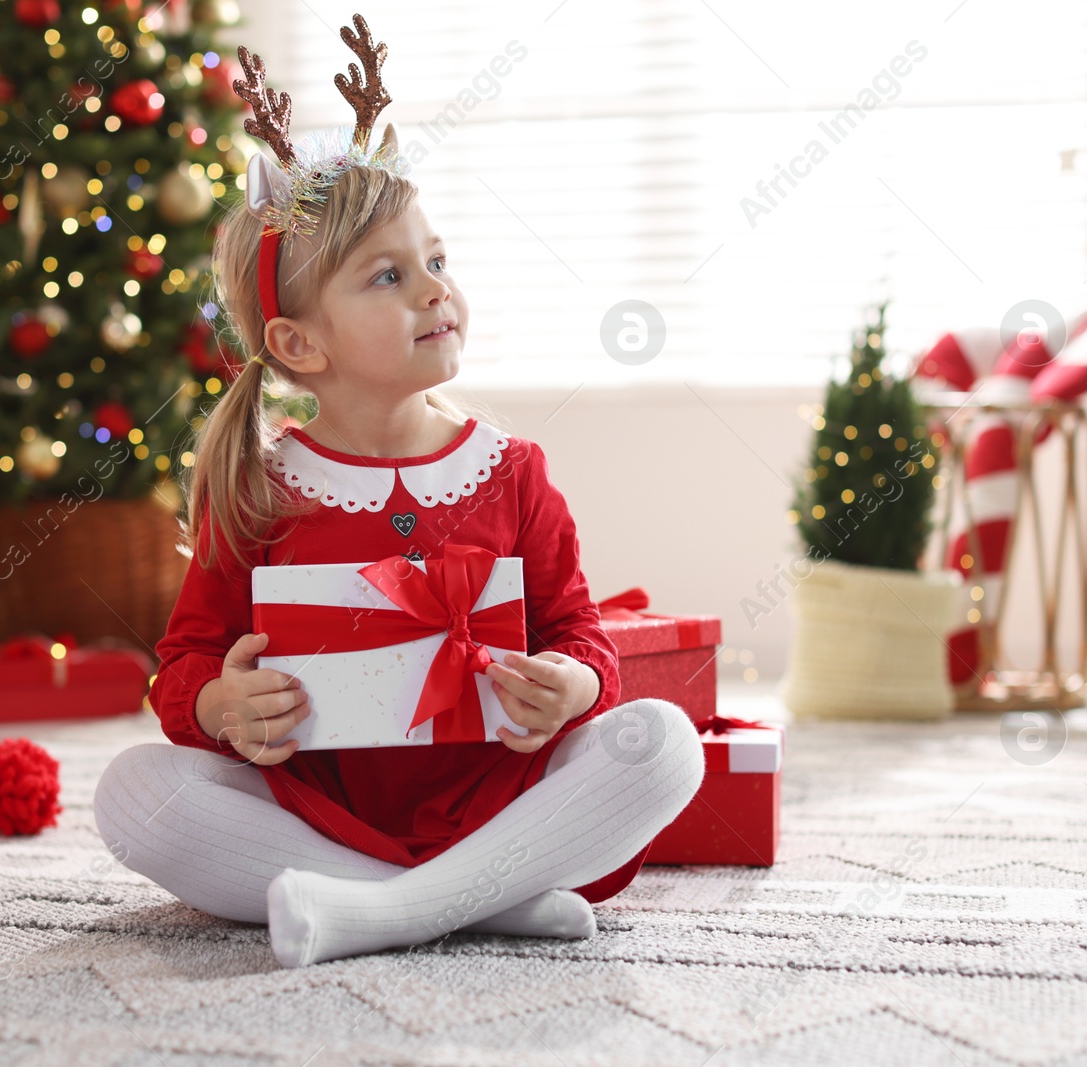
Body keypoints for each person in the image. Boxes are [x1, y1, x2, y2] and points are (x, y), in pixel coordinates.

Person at [93, 17, 703, 969]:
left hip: (499, 795)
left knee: (663, 742)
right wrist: (220, 705)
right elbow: (183, 666)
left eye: (438, 261)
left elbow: (582, 635)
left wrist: (576, 684)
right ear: (299, 344)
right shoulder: (260, 488)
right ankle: (473, 898)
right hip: (319, 810)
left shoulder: (513, 471)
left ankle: (387, 908)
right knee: (132, 791)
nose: (433, 289)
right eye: (389, 275)